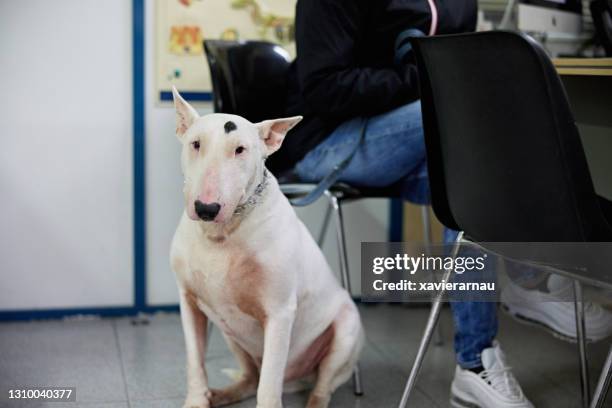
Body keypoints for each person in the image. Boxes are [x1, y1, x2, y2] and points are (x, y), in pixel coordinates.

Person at [274, 0, 612, 407]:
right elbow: (324, 87)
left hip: (405, 140)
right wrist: (426, 82)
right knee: (469, 118)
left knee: (468, 177)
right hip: (327, 141)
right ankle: (527, 282)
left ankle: (476, 361)